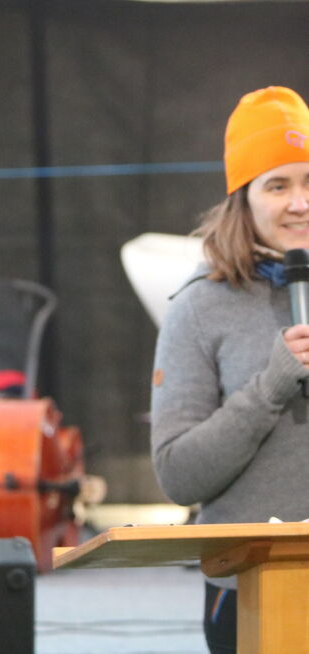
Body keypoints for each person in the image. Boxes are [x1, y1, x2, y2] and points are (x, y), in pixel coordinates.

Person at [151, 86, 309, 654]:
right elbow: (178, 476)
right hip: (253, 592)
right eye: (278, 185)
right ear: (243, 197)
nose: (300, 202)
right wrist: (271, 384)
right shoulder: (199, 305)